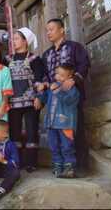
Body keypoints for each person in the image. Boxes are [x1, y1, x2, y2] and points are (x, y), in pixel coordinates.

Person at [41, 18, 91, 172]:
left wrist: (74, 79)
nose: (49, 32)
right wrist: (44, 86)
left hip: (71, 98)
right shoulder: (47, 54)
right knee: (56, 135)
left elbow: (84, 64)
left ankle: (80, 167)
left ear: (62, 30)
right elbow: (45, 75)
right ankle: (61, 166)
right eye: (47, 30)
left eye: (52, 29)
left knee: (75, 130)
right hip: (54, 101)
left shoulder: (74, 47)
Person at [5, 28, 45, 172]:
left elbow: (40, 79)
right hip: (13, 102)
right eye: (13, 38)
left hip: (30, 101)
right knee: (14, 133)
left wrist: (39, 98)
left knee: (31, 131)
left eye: (16, 38)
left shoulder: (35, 59)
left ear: (25, 41)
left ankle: (31, 163)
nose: (13, 41)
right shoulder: (7, 59)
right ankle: (17, 161)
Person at [36, 64, 80, 178]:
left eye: (62, 75)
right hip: (51, 123)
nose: (58, 77)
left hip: (65, 123)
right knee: (54, 146)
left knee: (67, 146)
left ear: (69, 76)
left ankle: (69, 168)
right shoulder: (53, 87)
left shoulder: (71, 88)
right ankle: (58, 167)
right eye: (57, 74)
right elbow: (45, 99)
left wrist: (58, 91)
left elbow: (70, 101)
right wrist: (41, 92)